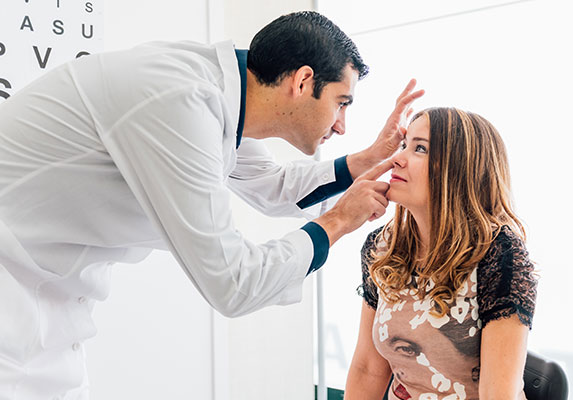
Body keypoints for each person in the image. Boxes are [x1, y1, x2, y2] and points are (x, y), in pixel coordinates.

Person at [0, 10, 424, 400]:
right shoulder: (180, 102)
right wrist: (336, 223)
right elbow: (233, 283)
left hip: (43, 308)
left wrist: (369, 159)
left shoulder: (220, 97)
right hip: (13, 303)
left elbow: (273, 187)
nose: (341, 125)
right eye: (341, 102)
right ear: (303, 81)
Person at [345, 107, 537, 399]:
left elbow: (499, 393)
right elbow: (368, 369)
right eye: (403, 145)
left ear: (458, 167)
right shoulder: (382, 246)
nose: (397, 158)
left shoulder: (499, 253)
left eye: (419, 148)